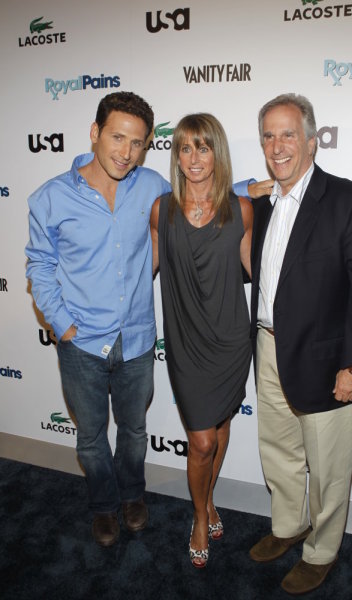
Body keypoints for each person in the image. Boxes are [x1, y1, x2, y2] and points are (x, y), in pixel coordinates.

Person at [25, 91, 270, 547]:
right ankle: (103, 505)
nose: (127, 152)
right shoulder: (51, 198)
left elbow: (200, 196)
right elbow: (38, 266)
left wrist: (248, 189)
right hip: (82, 342)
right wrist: (62, 324)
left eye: (138, 143)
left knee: (136, 432)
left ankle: (134, 496)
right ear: (96, 133)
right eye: (118, 138)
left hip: (137, 337)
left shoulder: (150, 186)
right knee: (92, 437)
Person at [249, 93, 352, 594]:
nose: (277, 144)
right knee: (278, 448)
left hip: (328, 356)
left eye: (288, 133)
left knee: (329, 463)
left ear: (313, 139)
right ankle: (288, 526)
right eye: (268, 135)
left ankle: (323, 549)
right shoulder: (265, 202)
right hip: (268, 347)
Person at [150, 113, 255, 568]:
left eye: (204, 147)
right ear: (175, 155)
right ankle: (198, 515)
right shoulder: (161, 210)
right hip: (187, 344)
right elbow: (141, 273)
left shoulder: (241, 209)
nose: (194, 158)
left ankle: (209, 498)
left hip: (231, 341)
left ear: (218, 153)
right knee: (202, 442)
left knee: (223, 426)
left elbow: (257, 273)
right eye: (185, 148)